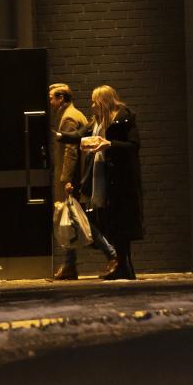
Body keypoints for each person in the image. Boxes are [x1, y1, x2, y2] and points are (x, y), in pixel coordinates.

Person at [60, 85, 143, 280]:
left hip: (121, 181)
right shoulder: (97, 122)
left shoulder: (124, 118)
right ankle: (122, 266)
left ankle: (124, 266)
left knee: (119, 226)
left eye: (95, 101)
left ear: (104, 101)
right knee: (110, 223)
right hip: (105, 181)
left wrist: (109, 144)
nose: (92, 105)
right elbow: (79, 135)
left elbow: (134, 145)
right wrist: (60, 136)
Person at [49, 83, 117, 280]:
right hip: (80, 177)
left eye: (52, 97)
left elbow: (71, 152)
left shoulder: (69, 117)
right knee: (72, 218)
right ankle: (70, 265)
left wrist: (67, 180)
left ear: (61, 98)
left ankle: (111, 254)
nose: (50, 102)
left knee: (79, 219)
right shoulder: (75, 115)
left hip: (73, 178)